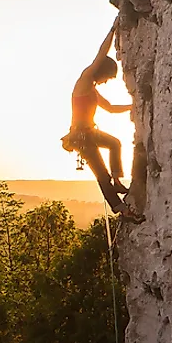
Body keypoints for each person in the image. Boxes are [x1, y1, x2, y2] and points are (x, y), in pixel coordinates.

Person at [61, 19, 143, 222]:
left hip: (90, 133)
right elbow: (100, 54)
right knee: (101, 173)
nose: (107, 81)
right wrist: (113, 30)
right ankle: (122, 209)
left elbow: (112, 109)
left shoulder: (93, 92)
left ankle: (117, 180)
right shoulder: (84, 82)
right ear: (102, 72)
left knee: (115, 143)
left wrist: (135, 106)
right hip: (81, 138)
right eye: (107, 77)